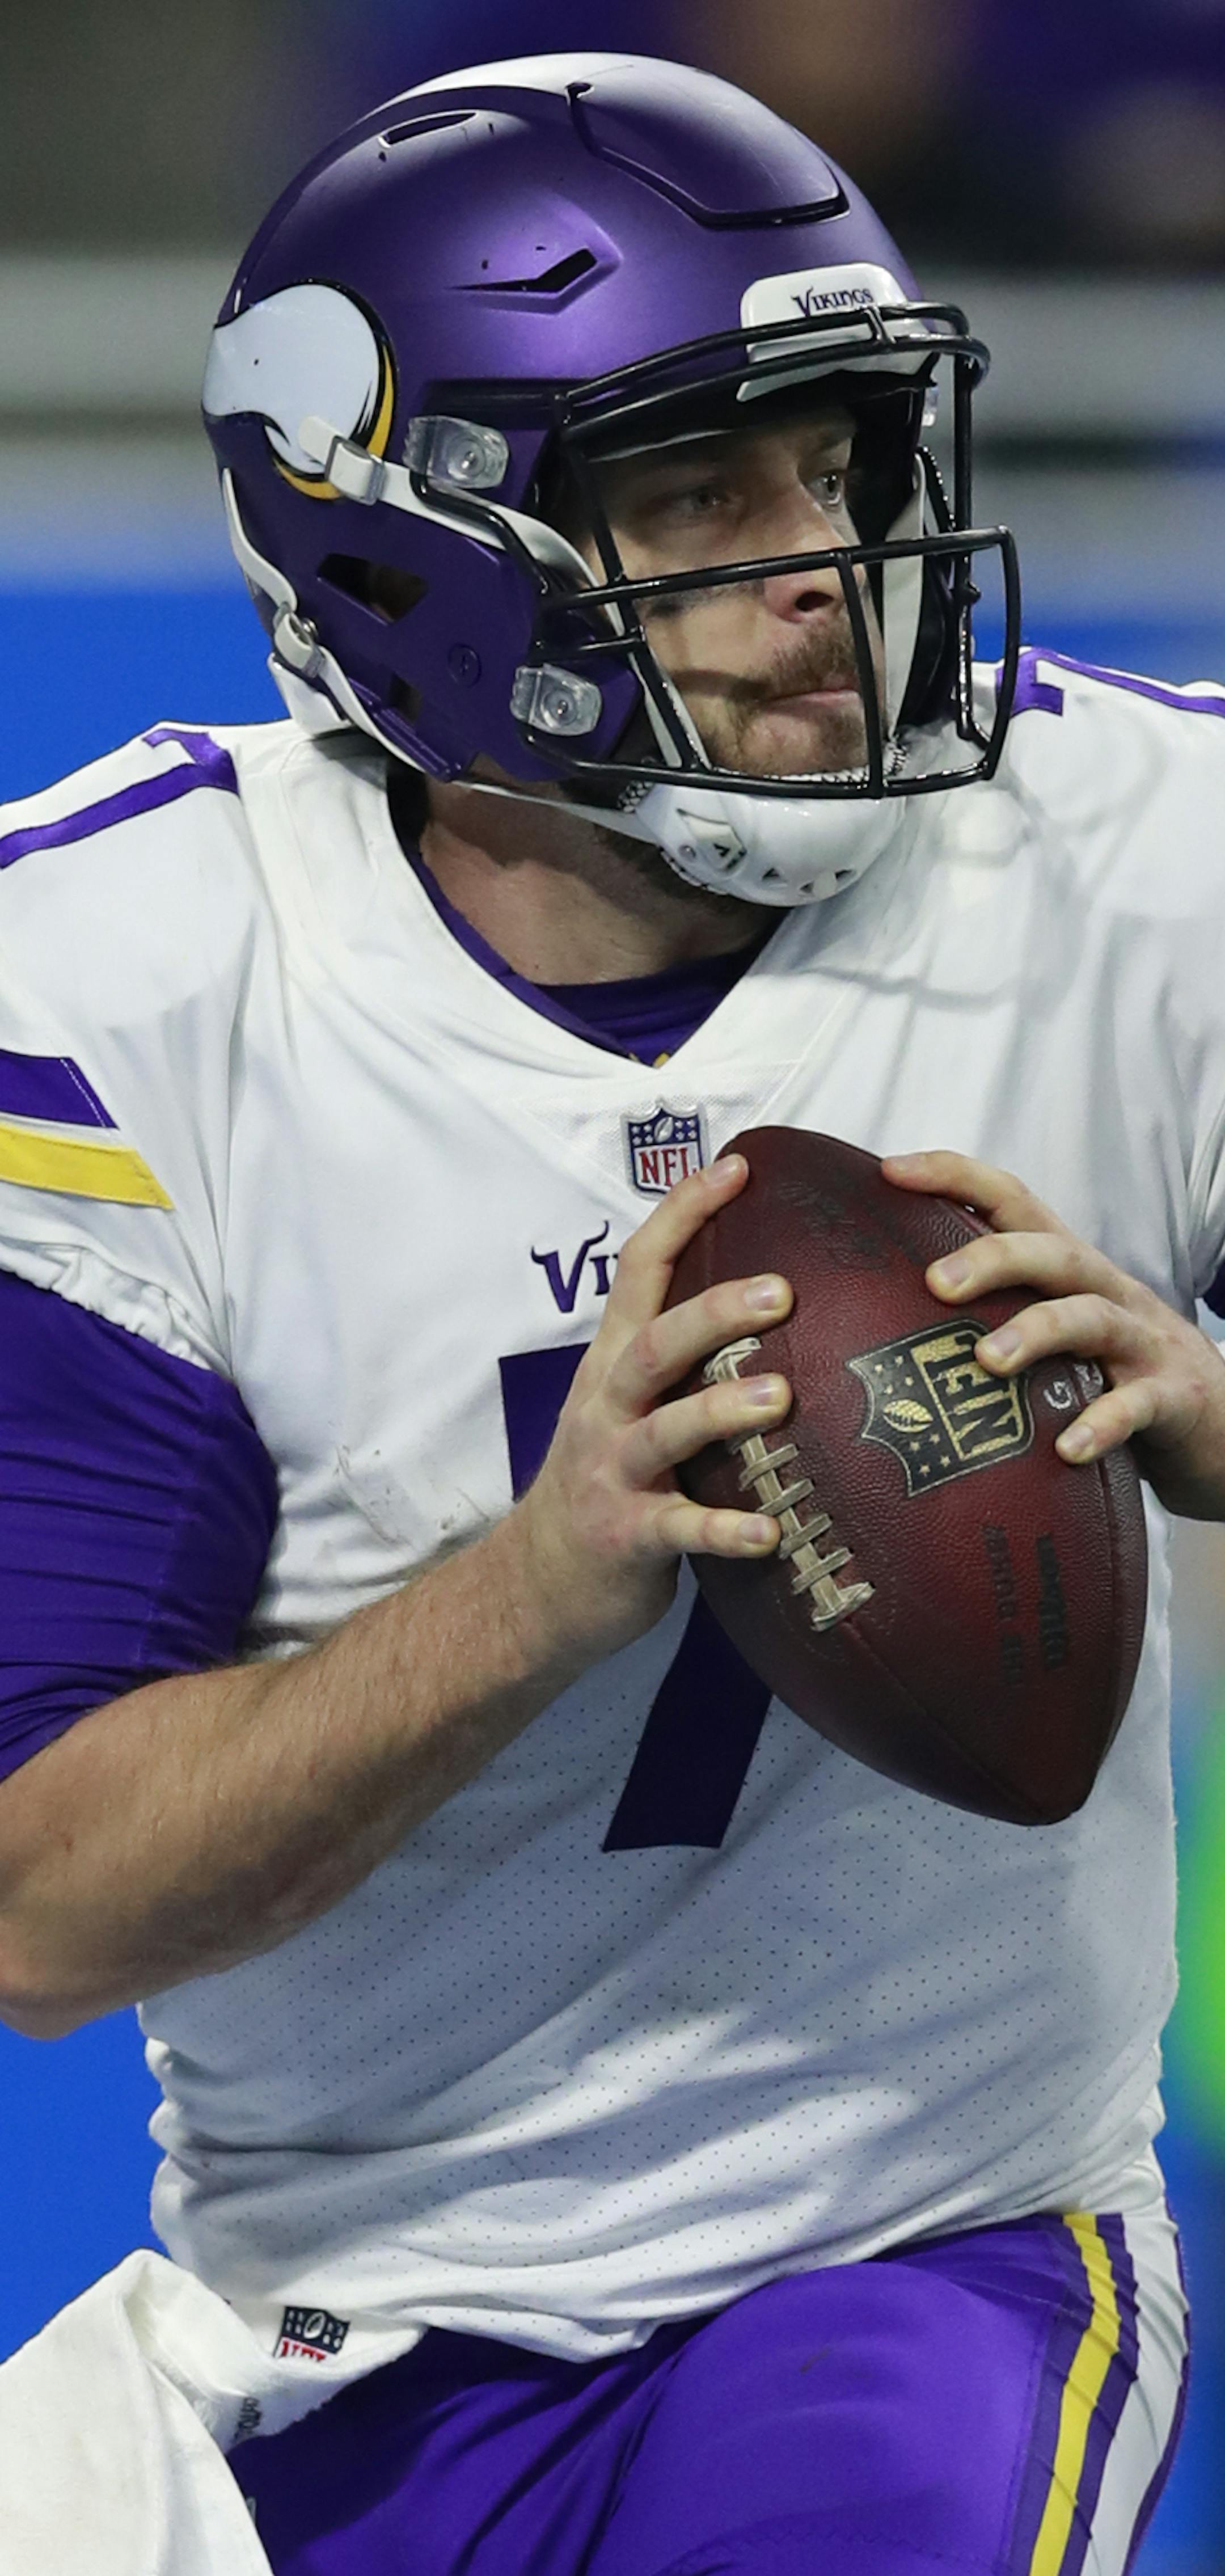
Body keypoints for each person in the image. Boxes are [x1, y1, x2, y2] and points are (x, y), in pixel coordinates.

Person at [0, 50, 1220, 2576]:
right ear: (402, 564)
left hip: (917, 2255)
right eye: (695, 489)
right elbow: (45, 1906)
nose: (822, 559)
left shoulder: (1142, 855)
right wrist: (538, 1583)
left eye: (846, 456)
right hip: (307, 2330)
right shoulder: (130, 989)